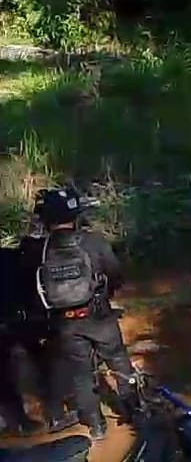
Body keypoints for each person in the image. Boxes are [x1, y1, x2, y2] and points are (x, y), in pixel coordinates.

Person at [20, 188, 139, 440]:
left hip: (65, 323)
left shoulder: (40, 249)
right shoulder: (93, 241)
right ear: (75, 216)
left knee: (81, 374)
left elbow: (34, 286)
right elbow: (116, 273)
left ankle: (96, 427)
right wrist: (107, 292)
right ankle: (134, 413)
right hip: (99, 315)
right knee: (118, 361)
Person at [0, 243, 76, 436]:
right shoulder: (13, 256)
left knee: (4, 374)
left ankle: (16, 422)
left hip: (14, 320)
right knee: (43, 363)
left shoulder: (13, 256)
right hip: (24, 318)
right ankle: (55, 414)